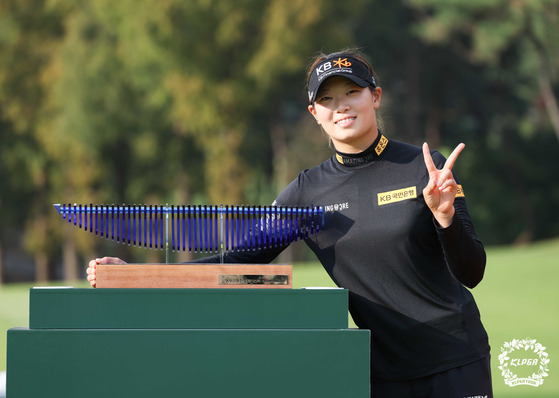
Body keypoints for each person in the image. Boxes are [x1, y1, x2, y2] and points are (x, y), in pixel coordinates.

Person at [87, 49, 493, 397]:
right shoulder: (306, 194)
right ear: (315, 113)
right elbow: (237, 261)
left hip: (456, 359)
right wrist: (139, 276)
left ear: (376, 96)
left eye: (353, 91)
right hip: (381, 374)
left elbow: (472, 272)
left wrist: (445, 217)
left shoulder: (426, 168)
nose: (343, 106)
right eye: (329, 99)